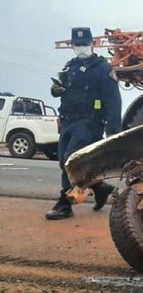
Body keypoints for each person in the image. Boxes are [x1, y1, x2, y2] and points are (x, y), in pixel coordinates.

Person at [45, 27, 122, 220]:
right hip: (68, 120)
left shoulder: (102, 68)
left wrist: (114, 133)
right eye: (77, 44)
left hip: (90, 122)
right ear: (72, 45)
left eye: (84, 44)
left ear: (92, 44)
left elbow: (113, 102)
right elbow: (66, 90)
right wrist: (56, 90)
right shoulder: (70, 66)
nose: (81, 48)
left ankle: (65, 204)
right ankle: (100, 188)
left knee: (70, 161)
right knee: (63, 160)